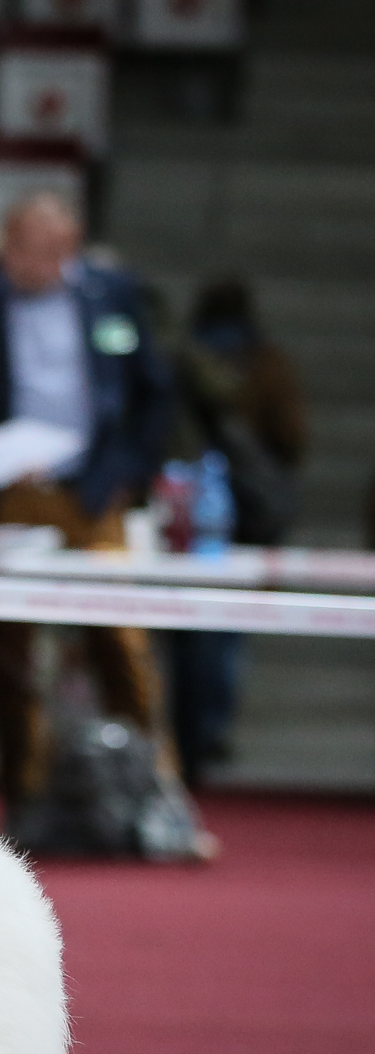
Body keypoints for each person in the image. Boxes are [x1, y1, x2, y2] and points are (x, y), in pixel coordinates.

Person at [0, 192, 180, 827]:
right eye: (24, 249)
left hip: (91, 492)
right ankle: (24, 797)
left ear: (72, 247)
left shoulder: (113, 296)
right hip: (8, 490)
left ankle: (156, 793)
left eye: (51, 251)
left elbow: (153, 394)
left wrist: (127, 475)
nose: (36, 263)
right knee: (10, 648)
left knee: (121, 637)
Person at [162, 279, 306, 786]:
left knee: (184, 631)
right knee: (222, 635)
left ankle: (178, 734)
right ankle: (208, 728)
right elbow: (291, 437)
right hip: (239, 520)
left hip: (185, 513)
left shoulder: (179, 358)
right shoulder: (266, 365)